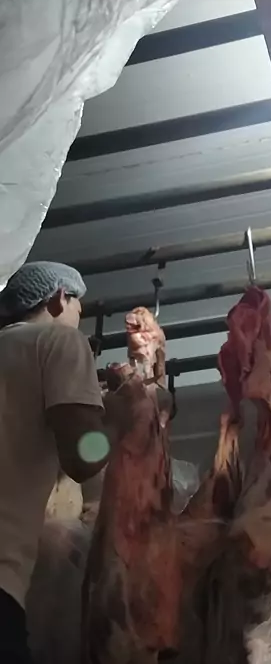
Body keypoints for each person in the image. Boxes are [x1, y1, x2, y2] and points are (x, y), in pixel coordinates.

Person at [0, 261, 119, 664]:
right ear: (58, 299)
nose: (77, 319)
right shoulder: (58, 342)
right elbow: (83, 455)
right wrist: (121, 422)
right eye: (77, 309)